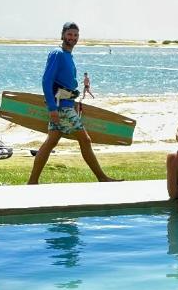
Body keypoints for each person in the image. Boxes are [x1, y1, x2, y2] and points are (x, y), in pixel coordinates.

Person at [28, 22, 118, 184]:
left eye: (75, 35)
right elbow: (46, 81)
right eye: (69, 34)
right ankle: (102, 178)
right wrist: (52, 108)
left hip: (67, 105)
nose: (73, 38)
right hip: (61, 108)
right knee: (85, 140)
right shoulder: (57, 53)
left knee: (51, 142)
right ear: (63, 35)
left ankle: (32, 181)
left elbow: (66, 82)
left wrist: (73, 102)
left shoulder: (68, 55)